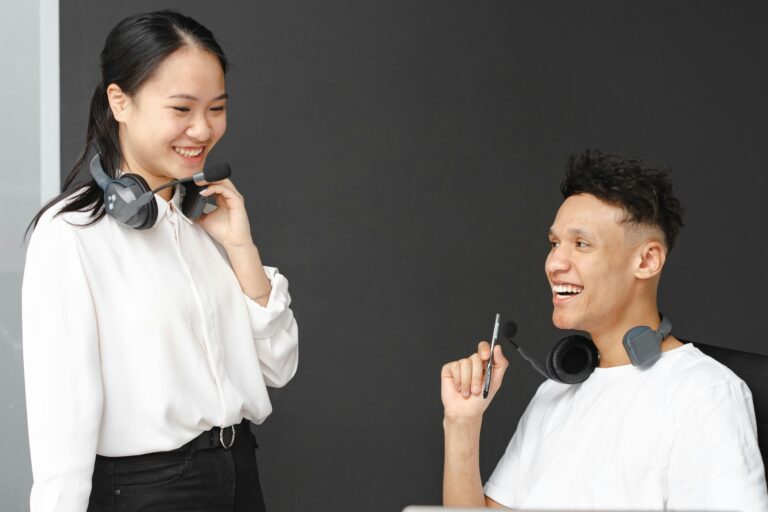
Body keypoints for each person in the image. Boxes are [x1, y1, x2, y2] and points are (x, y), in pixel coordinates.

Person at [22, 11, 298, 512]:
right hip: (147, 492)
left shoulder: (207, 222)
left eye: (216, 108)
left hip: (240, 475)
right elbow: (62, 421)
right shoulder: (70, 235)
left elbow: (278, 368)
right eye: (181, 108)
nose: (202, 129)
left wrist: (242, 251)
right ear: (119, 102)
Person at [441, 150, 768, 511]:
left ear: (646, 260)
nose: (554, 263)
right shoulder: (553, 395)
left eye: (581, 244)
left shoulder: (703, 394)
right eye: (554, 244)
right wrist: (462, 423)